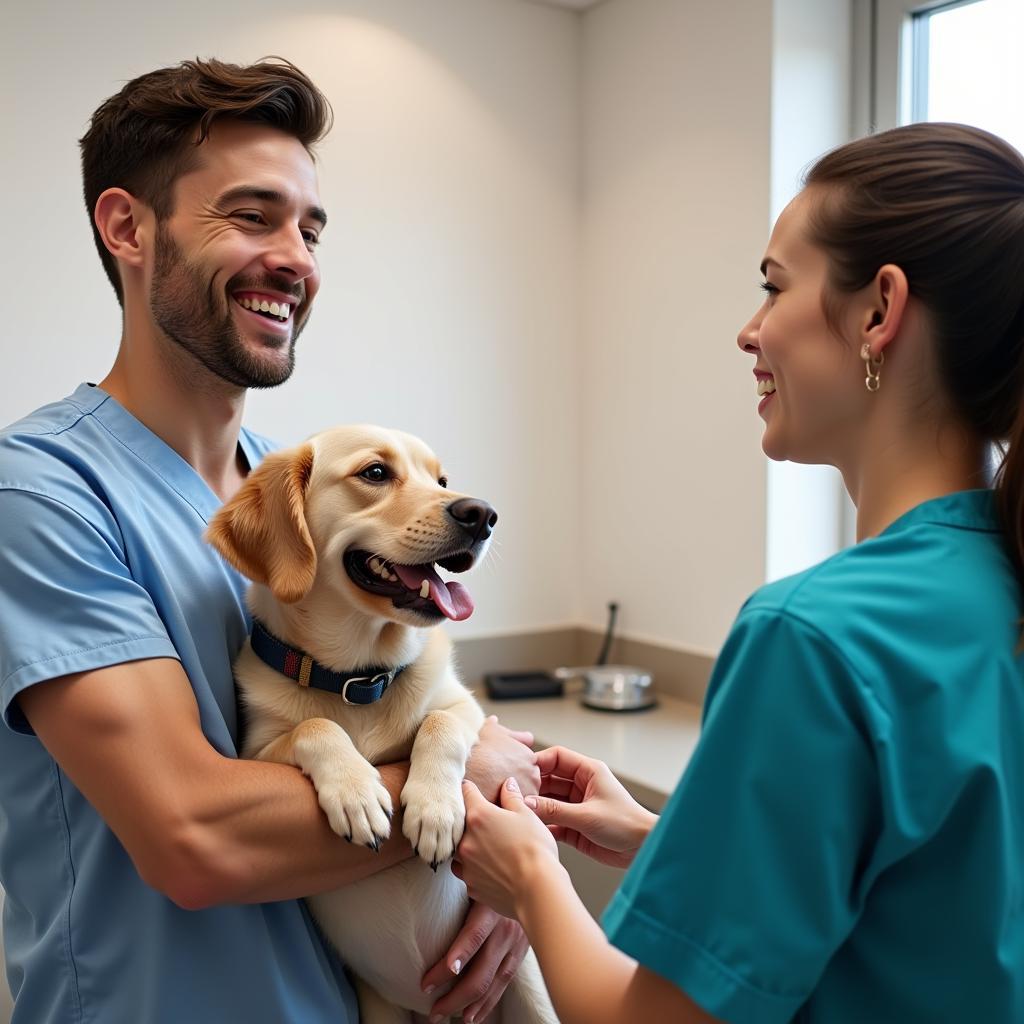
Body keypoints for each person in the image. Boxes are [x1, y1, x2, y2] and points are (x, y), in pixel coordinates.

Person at [0, 57, 538, 1024]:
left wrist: (495, 874)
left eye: (310, 228)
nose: (295, 258)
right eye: (252, 217)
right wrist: (470, 793)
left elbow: (416, 697)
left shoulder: (292, 482)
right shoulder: (40, 494)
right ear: (127, 228)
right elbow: (197, 838)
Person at [453, 121, 1024, 1023]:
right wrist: (665, 844)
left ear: (880, 311)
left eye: (773, 288)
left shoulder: (815, 636)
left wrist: (530, 878)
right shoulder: (997, 590)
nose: (748, 332)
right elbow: (924, 917)